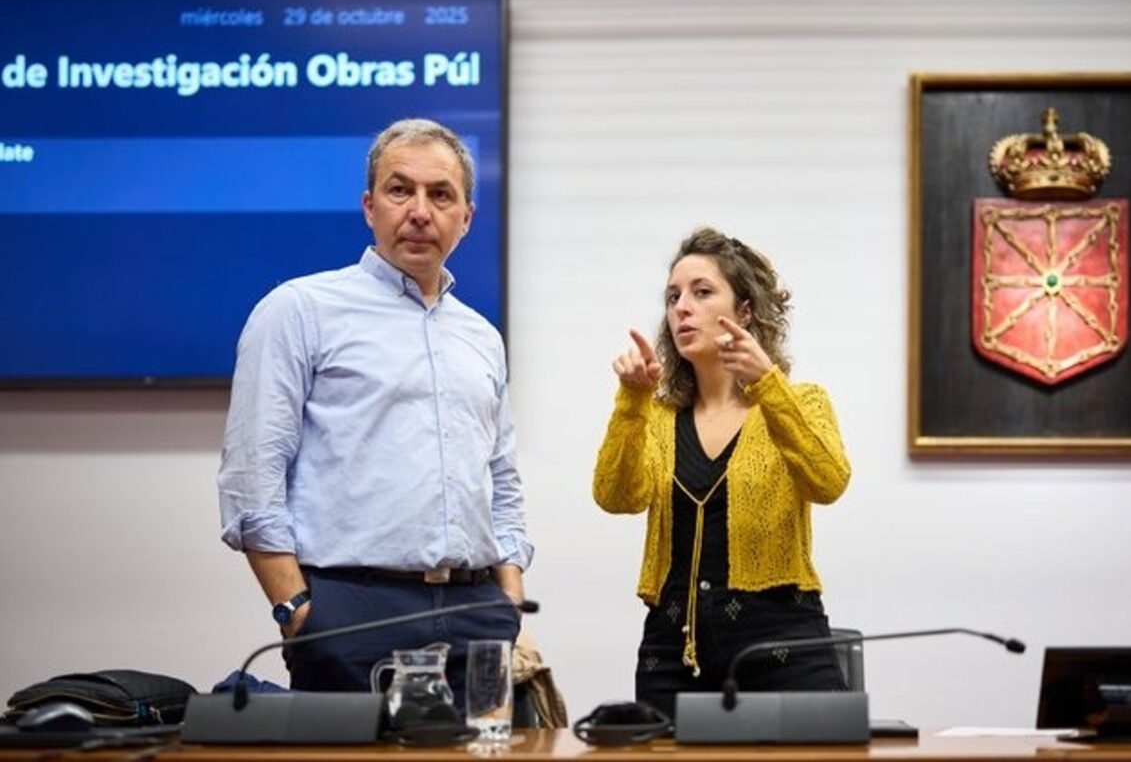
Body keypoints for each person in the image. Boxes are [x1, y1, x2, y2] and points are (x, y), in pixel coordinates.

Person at [217, 118, 532, 706]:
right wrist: (297, 610)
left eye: (441, 195)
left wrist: (508, 598)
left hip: (475, 614)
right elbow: (251, 478)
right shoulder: (300, 310)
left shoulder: (482, 337)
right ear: (369, 206)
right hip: (351, 615)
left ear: (465, 217)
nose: (419, 211)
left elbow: (502, 480)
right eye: (399, 190)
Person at [592, 227, 851, 719]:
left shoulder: (801, 402)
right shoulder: (658, 417)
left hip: (782, 650)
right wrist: (632, 401)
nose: (680, 308)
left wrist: (768, 386)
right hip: (673, 654)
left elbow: (829, 480)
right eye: (673, 297)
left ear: (745, 312)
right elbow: (614, 495)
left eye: (701, 292)